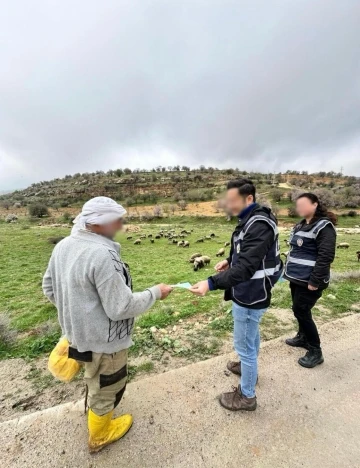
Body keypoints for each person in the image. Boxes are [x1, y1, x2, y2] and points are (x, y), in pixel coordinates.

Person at [42, 196, 173, 453]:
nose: (121, 225)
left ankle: (93, 413)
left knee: (92, 377)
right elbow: (120, 308)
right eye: (117, 220)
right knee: (107, 387)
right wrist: (155, 292)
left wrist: (77, 316)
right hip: (106, 343)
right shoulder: (102, 254)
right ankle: (100, 435)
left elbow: (49, 287)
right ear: (100, 223)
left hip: (75, 335)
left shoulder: (64, 246)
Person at [190, 179, 283, 412]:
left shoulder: (258, 224)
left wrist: (210, 283)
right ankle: (247, 369)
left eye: (233, 201)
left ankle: (247, 396)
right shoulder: (249, 221)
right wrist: (229, 260)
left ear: (248, 198)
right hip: (249, 290)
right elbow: (247, 254)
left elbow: (246, 268)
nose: (229, 205)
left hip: (252, 293)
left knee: (245, 345)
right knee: (251, 336)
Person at [284, 193, 336, 368]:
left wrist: (315, 280)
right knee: (299, 309)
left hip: (310, 280)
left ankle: (315, 350)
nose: (299, 208)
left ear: (314, 204)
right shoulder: (301, 225)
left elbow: (326, 256)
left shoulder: (324, 227)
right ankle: (302, 337)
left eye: (303, 204)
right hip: (297, 277)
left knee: (302, 310)